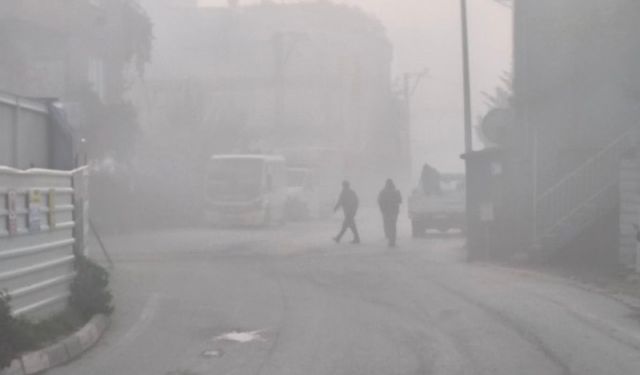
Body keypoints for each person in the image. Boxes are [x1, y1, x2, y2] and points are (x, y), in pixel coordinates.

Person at [378, 179, 402, 247]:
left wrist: (382, 209)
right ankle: (392, 240)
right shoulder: (396, 191)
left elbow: (379, 201)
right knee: (393, 226)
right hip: (394, 212)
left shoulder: (383, 192)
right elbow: (400, 200)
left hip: (386, 212)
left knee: (388, 225)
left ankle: (390, 238)